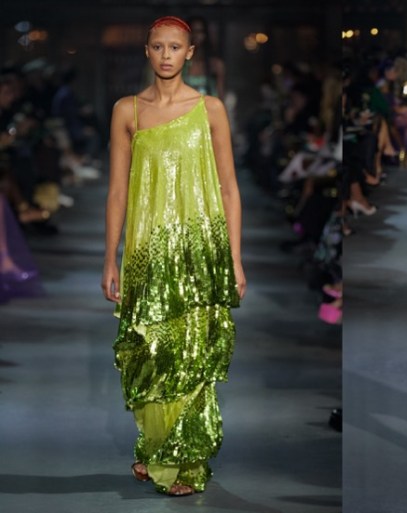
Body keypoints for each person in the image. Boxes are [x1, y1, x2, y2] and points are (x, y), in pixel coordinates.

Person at [101, 15, 244, 497]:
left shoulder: (210, 109)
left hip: (200, 250)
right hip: (146, 251)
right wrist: (110, 258)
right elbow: (117, 191)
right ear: (147, 51)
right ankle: (154, 446)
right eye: (158, 47)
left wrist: (235, 259)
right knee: (150, 352)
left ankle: (183, 463)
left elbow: (229, 188)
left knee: (192, 356)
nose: (166, 55)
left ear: (190, 53)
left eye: (175, 47)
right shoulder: (127, 111)